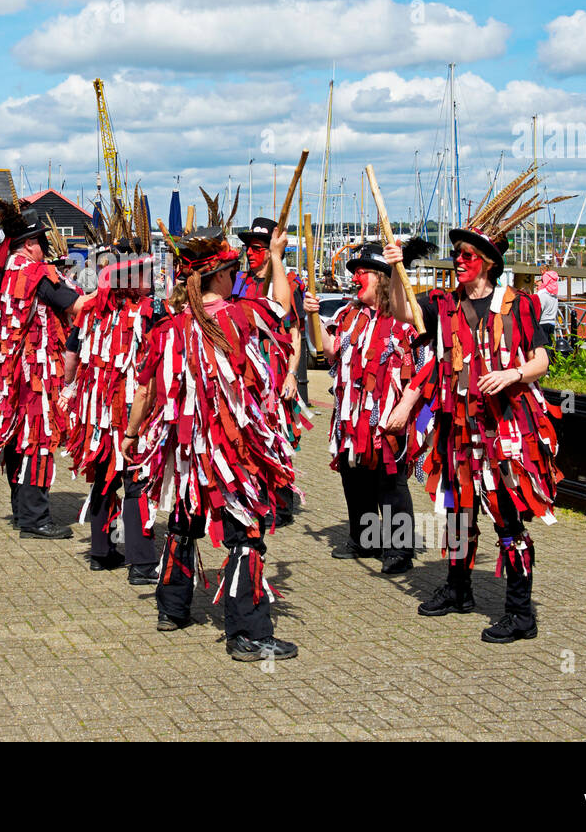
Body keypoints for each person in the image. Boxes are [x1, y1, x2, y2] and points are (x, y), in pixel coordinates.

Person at [383, 169, 560, 644]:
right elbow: (403, 313)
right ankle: (458, 589)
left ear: (485, 262)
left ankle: (521, 615)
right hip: (457, 428)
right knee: (459, 511)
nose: (457, 262)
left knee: (507, 516)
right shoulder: (443, 304)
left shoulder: (518, 306)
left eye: (465, 256)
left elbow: (542, 359)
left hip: (503, 430)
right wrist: (395, 269)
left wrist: (512, 374)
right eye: (456, 255)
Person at [124, 204, 299, 663]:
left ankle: (172, 610)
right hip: (230, 451)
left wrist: (130, 435)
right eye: (232, 270)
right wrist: (278, 257)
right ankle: (246, 634)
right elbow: (282, 306)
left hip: (184, 453)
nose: (237, 276)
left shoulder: (168, 329)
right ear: (219, 276)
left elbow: (143, 389)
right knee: (246, 531)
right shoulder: (240, 317)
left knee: (183, 524)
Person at [305, 240, 430, 575]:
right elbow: (328, 349)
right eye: (355, 272)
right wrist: (312, 317)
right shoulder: (349, 315)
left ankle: (399, 549)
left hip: (388, 415)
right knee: (354, 476)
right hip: (350, 416)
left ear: (382, 278)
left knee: (389, 480)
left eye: (362, 272)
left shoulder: (406, 320)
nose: (355, 277)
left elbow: (424, 369)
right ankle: (364, 540)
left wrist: (405, 408)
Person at [0, 196, 92, 538]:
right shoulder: (35, 273)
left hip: (7, 372)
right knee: (38, 439)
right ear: (29, 244)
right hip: (34, 372)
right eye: (41, 241)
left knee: (17, 438)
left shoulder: (0, 272)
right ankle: (35, 519)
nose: (45, 248)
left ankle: (21, 511)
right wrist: (114, 290)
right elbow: (75, 306)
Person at [66, 220, 160, 584]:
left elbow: (72, 356)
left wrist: (69, 390)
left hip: (96, 407)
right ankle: (141, 564)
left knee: (105, 475)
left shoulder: (88, 312)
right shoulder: (147, 313)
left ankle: (101, 551)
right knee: (135, 480)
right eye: (145, 275)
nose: (151, 280)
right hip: (128, 407)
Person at [234, 216, 310, 528]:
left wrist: (292, 373)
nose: (249, 254)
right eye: (247, 248)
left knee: (278, 434)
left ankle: (281, 502)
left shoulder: (288, 283)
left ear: (271, 249)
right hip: (245, 368)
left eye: (256, 248)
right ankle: (253, 497)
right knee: (248, 433)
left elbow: (294, 333)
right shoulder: (239, 282)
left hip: (275, 367)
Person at [536, 269, 559, 347]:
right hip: (552, 322)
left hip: (543, 322)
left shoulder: (542, 294)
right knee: (549, 346)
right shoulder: (554, 295)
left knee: (542, 347)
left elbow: (539, 309)